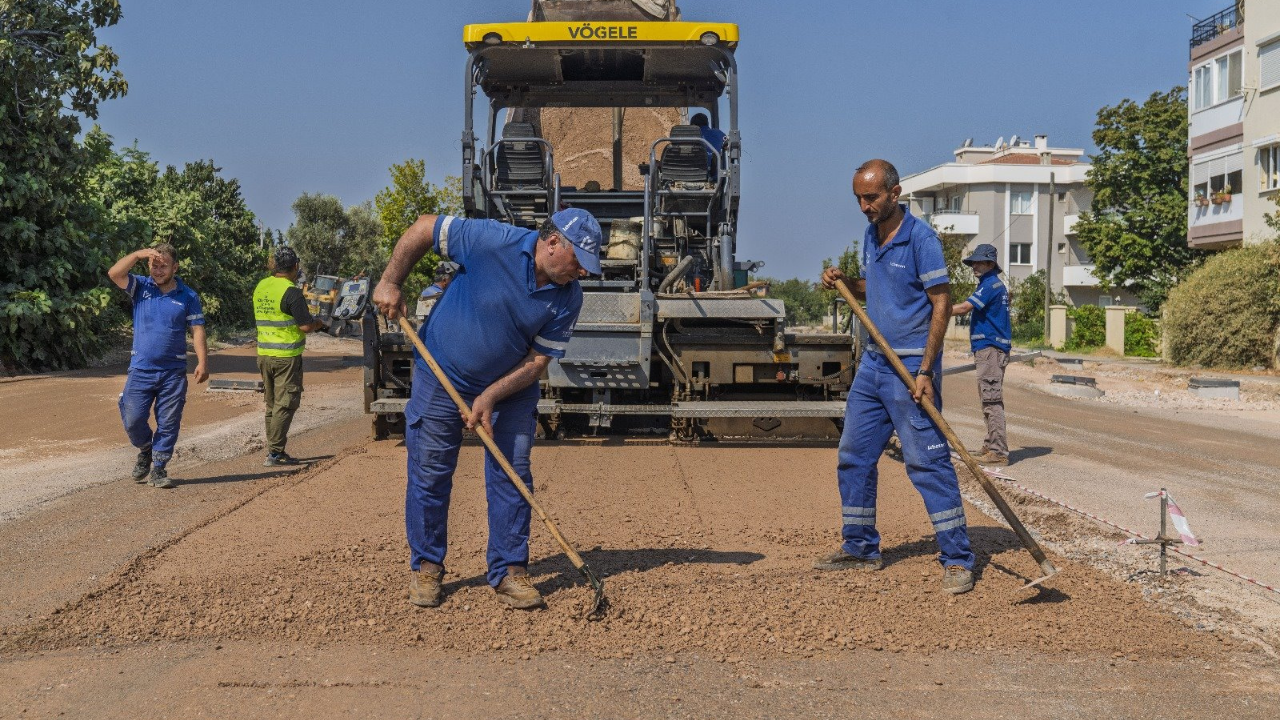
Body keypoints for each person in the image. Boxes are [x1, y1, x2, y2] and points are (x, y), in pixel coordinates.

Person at [372, 208, 600, 611]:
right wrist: (391, 281)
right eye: (579, 263)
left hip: (511, 388)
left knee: (513, 474)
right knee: (430, 470)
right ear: (552, 244)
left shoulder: (569, 297)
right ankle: (427, 566)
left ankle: (510, 570)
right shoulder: (493, 240)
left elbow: (537, 362)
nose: (582, 273)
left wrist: (492, 394)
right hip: (441, 373)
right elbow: (426, 226)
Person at [817, 159, 975, 595]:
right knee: (854, 455)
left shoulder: (921, 239)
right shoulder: (872, 233)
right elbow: (880, 286)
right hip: (873, 365)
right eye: (859, 199)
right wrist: (847, 281)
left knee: (927, 462)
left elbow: (940, 303)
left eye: (871, 197)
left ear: (895, 193)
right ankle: (860, 546)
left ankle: (958, 559)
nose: (864, 207)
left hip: (909, 368)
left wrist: (926, 370)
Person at [107, 243, 209, 489]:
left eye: (164, 266)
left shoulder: (188, 296)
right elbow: (114, 274)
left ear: (175, 267)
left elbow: (197, 330)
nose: (158, 270)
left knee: (169, 421)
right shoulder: (140, 287)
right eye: (154, 265)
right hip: (140, 369)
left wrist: (203, 362)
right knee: (133, 418)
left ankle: (160, 468)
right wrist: (138, 254)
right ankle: (145, 449)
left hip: (173, 373)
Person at [253, 247, 327, 467]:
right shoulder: (292, 291)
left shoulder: (261, 286)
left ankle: (274, 449)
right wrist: (319, 323)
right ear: (295, 266)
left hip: (264, 354)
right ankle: (275, 453)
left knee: (272, 404)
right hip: (286, 357)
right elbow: (304, 325)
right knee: (286, 404)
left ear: (274, 265)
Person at [951, 243, 1012, 466]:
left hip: (991, 349)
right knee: (988, 398)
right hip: (990, 349)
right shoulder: (992, 284)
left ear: (990, 264)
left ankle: (998, 451)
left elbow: (964, 308)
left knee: (991, 400)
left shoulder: (990, 286)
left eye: (978, 262)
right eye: (973, 262)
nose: (974, 266)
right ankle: (991, 445)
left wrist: (936, 310)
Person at [689, 112, 726, 178]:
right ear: (707, 123)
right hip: (712, 175)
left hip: (687, 171)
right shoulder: (718, 133)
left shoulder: (687, 136)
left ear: (692, 125)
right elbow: (726, 143)